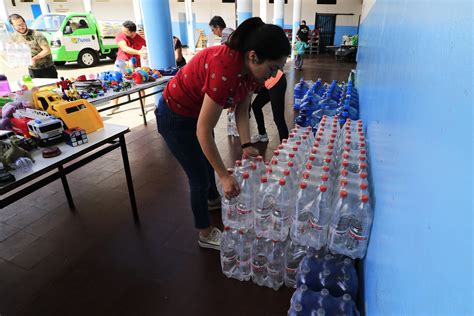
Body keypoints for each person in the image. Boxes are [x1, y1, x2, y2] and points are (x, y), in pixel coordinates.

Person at [155, 17, 290, 250]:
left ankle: (212, 200)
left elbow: (242, 106)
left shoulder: (250, 72)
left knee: (207, 166)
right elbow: (204, 131)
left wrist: (247, 143)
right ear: (253, 56)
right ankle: (205, 232)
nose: (272, 76)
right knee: (198, 176)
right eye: (272, 68)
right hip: (174, 116)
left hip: (192, 113)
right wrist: (225, 176)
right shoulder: (225, 68)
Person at [110, 20, 146, 115]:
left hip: (136, 65)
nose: (123, 33)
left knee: (140, 85)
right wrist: (139, 52)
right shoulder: (120, 35)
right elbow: (124, 48)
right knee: (116, 82)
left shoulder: (141, 40)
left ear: (132, 32)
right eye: (123, 31)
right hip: (122, 62)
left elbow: (147, 51)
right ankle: (115, 105)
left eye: (126, 32)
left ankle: (142, 107)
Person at [8, 14, 58, 79]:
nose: (21, 27)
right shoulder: (14, 37)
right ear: (13, 26)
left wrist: (35, 58)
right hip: (32, 69)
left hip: (47, 68)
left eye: (22, 24)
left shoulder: (37, 34)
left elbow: (47, 50)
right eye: (18, 26)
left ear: (25, 22)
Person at [250, 70, 289, 143]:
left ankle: (285, 146)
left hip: (277, 81)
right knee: (256, 106)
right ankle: (262, 134)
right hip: (267, 83)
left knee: (278, 118)